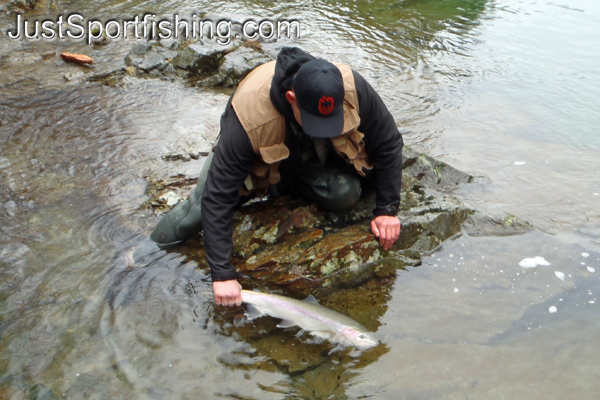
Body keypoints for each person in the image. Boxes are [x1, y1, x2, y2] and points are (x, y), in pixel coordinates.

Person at [147, 47, 403, 307]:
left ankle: (288, 184)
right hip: (258, 152)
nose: (324, 128)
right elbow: (218, 195)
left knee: (346, 193)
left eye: (329, 121)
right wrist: (222, 273)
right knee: (196, 213)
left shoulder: (351, 87)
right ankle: (139, 256)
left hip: (305, 153)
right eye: (316, 121)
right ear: (291, 98)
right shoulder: (249, 115)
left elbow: (389, 142)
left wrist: (387, 210)